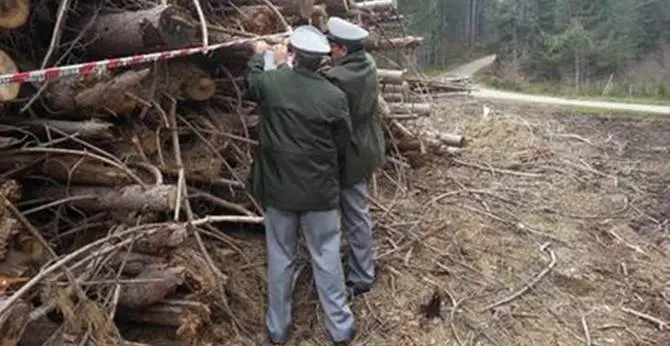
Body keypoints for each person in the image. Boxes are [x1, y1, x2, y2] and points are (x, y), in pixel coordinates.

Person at [245, 25, 356, 346]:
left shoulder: (274, 82)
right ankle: (341, 328)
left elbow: (253, 84)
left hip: (279, 191)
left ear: (293, 54)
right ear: (321, 61)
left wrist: (261, 55)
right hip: (320, 193)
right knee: (327, 255)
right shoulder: (334, 96)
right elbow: (342, 142)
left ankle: (278, 329)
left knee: (281, 257)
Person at [321, 17, 385, 298]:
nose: (329, 51)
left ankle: (361, 276)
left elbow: (321, 93)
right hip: (367, 145)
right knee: (357, 212)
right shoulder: (366, 63)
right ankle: (360, 267)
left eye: (332, 47)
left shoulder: (340, 79)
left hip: (351, 153)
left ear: (344, 51)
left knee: (354, 214)